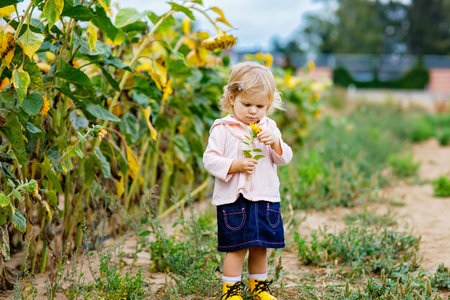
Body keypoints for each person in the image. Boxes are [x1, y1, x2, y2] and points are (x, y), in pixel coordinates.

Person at [203, 61, 293, 300]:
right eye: (247, 104)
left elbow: (284, 158)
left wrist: (275, 142)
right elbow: (210, 160)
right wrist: (234, 165)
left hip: (265, 197)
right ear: (232, 98)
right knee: (236, 247)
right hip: (235, 199)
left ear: (269, 104)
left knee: (260, 246)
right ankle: (230, 291)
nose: (253, 111)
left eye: (260, 106)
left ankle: (259, 287)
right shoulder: (223, 128)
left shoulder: (269, 128)